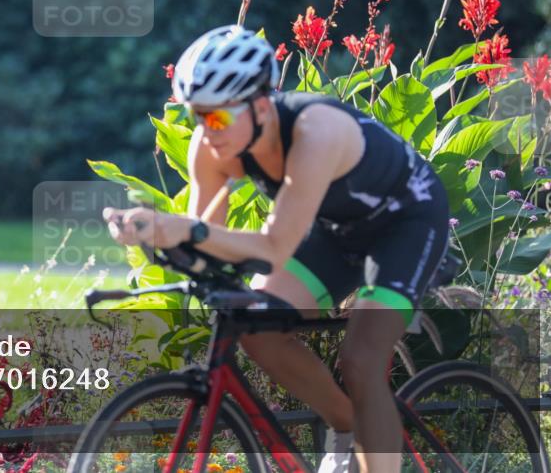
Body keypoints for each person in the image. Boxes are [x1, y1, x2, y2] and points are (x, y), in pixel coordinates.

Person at [103, 25, 450, 473]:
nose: (208, 131)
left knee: (362, 361)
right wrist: (154, 236)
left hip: (406, 223)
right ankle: (347, 428)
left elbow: (273, 245)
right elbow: (207, 241)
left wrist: (184, 230)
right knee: (256, 325)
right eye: (198, 116)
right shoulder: (210, 149)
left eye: (220, 117)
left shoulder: (315, 130)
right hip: (334, 228)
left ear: (262, 105)